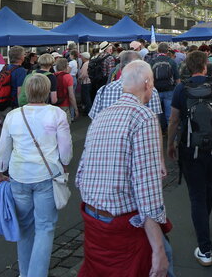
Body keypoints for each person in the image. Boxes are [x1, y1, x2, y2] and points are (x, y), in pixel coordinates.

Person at [76, 61, 171, 277]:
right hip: (123, 224)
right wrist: (158, 249)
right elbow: (147, 188)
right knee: (164, 261)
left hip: (93, 218)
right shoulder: (143, 116)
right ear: (147, 84)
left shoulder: (101, 116)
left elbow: (81, 173)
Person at [0, 73, 72, 277]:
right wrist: (65, 164)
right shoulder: (56, 114)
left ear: (27, 91)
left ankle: (25, 272)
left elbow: (4, 147)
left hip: (19, 174)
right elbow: (65, 148)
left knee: (24, 227)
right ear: (46, 91)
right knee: (45, 227)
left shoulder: (13, 115)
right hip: (46, 174)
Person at [167, 50, 212, 267]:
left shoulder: (181, 88)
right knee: (207, 187)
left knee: (196, 195)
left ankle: (205, 248)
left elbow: (174, 120)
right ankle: (203, 225)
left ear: (188, 67)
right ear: (205, 66)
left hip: (190, 147)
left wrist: (170, 144)